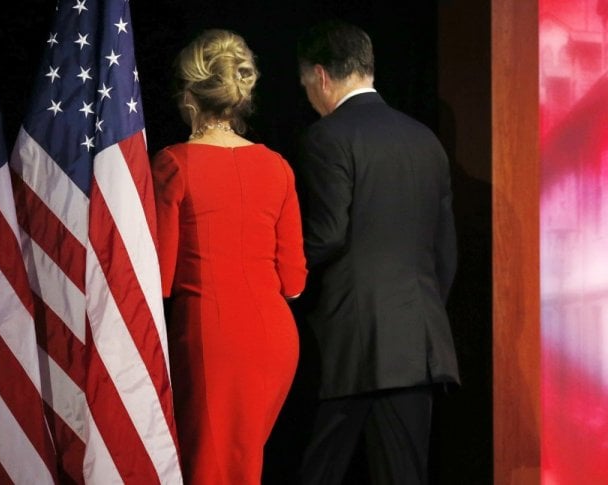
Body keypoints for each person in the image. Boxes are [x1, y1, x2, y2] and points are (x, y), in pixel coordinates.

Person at [294, 20, 460, 484]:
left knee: (318, 471)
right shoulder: (426, 140)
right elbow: (445, 253)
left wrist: (277, 274)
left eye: (306, 84)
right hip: (417, 342)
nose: (308, 95)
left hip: (351, 343)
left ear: (322, 76)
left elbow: (327, 235)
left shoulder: (326, 137)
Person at [151, 29, 307, 485]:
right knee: (238, 465)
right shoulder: (277, 165)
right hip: (275, 340)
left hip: (211, 338)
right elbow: (294, 281)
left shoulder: (174, 163)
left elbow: (160, 278)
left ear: (188, 96)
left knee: (212, 471)